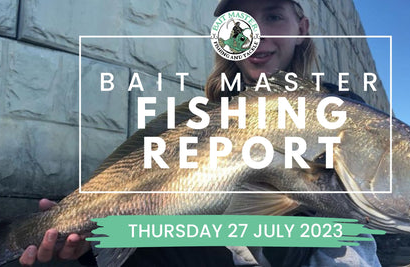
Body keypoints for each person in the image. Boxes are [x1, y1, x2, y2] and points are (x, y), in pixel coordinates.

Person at [20, 0, 380, 266]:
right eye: (241, 22)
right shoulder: (195, 120)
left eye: (272, 15)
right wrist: (85, 234)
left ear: (302, 29)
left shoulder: (343, 108)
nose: (256, 34)